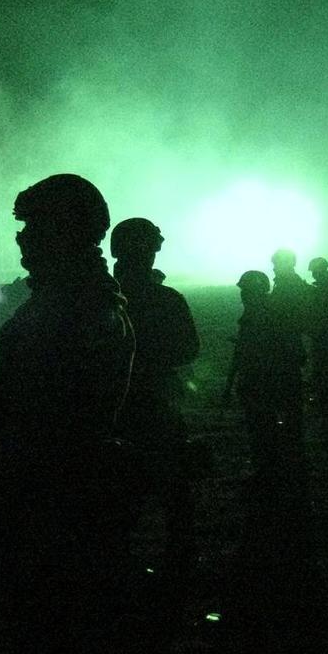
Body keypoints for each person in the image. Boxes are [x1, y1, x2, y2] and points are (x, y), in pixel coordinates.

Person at [0, 174, 135, 654]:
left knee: (46, 638)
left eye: (34, 226)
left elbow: (56, 411)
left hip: (50, 497)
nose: (22, 238)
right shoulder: (76, 299)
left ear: (66, 231)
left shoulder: (75, 307)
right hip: (51, 490)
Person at [109, 217, 201, 582]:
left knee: (119, 499)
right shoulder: (166, 300)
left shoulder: (100, 298)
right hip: (159, 408)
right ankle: (179, 564)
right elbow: (189, 349)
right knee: (174, 495)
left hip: (114, 409)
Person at [224, 270, 306, 475]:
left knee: (263, 429)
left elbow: (245, 350)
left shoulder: (265, 313)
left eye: (246, 290)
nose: (243, 295)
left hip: (265, 379)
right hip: (266, 379)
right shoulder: (268, 311)